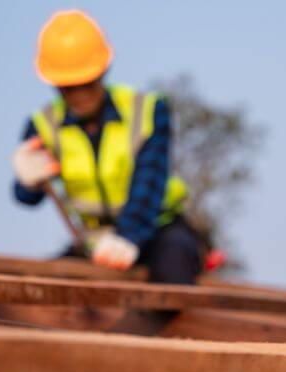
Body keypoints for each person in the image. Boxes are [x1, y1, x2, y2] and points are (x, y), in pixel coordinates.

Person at [12, 10, 200, 284]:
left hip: (158, 230)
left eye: (86, 83)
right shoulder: (43, 125)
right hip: (95, 242)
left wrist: (128, 236)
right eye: (68, 87)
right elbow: (27, 198)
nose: (79, 94)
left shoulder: (146, 111)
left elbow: (149, 182)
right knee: (44, 288)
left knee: (173, 273)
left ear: (102, 71)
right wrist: (27, 182)